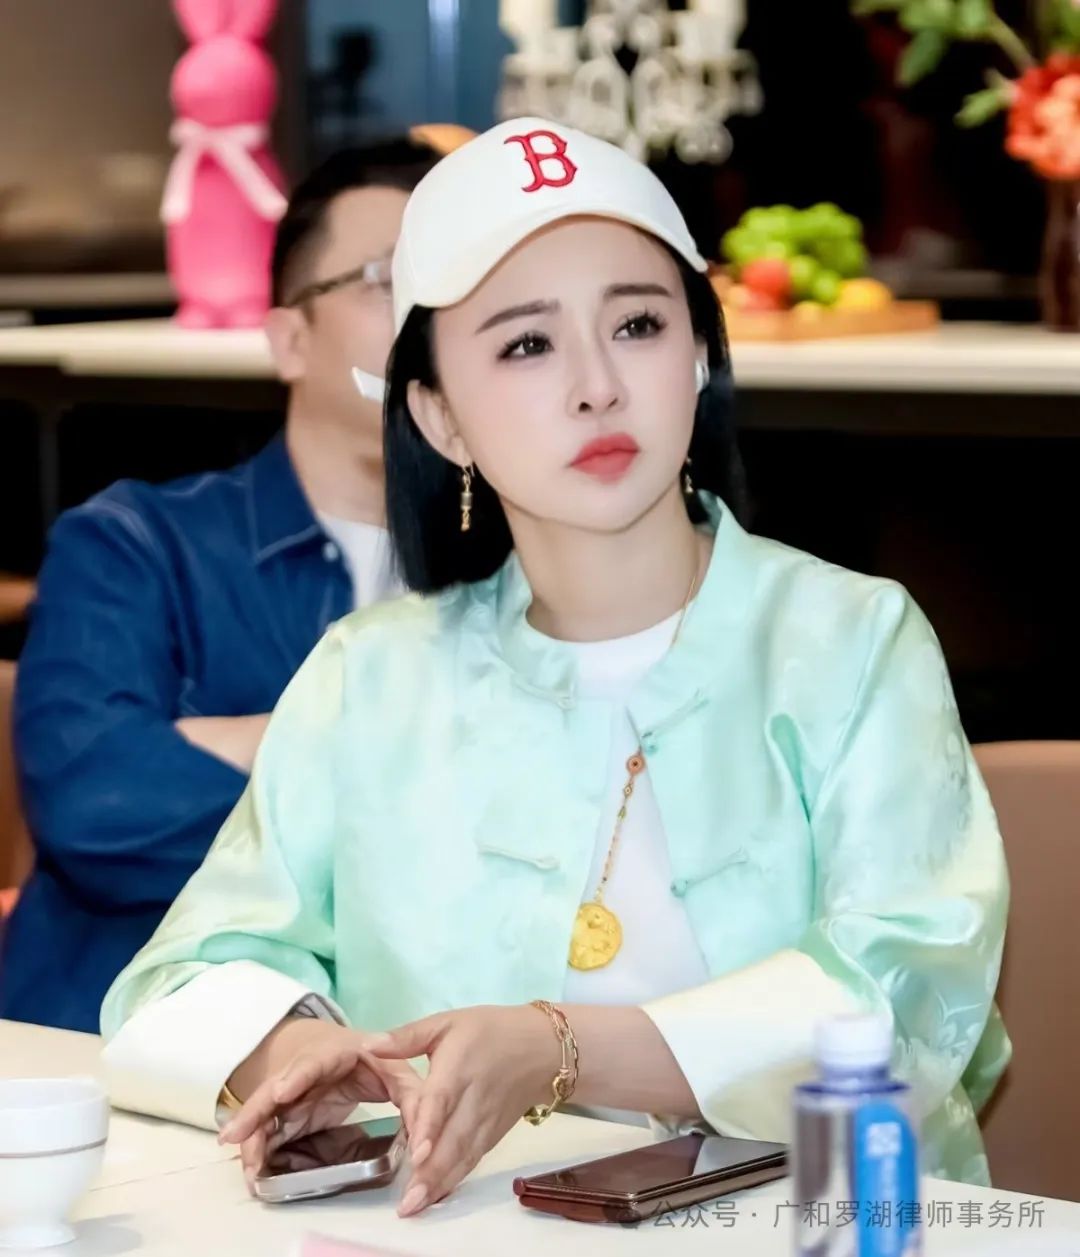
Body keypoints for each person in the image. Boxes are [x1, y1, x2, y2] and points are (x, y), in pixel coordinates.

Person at [101, 120, 1010, 1217]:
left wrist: (559, 1047)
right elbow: (179, 977)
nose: (596, 385)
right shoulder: (371, 677)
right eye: (527, 344)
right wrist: (298, 1050)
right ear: (439, 416)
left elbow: (909, 998)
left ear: (700, 355)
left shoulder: (852, 640)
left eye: (637, 324)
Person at [0, 136, 452, 1032]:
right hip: (114, 1054)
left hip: (400, 1072)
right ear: (289, 338)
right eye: (387, 279)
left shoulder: (518, 569)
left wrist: (247, 744)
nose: (429, 320)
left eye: (452, 287)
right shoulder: (134, 543)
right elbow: (96, 807)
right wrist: (401, 765)